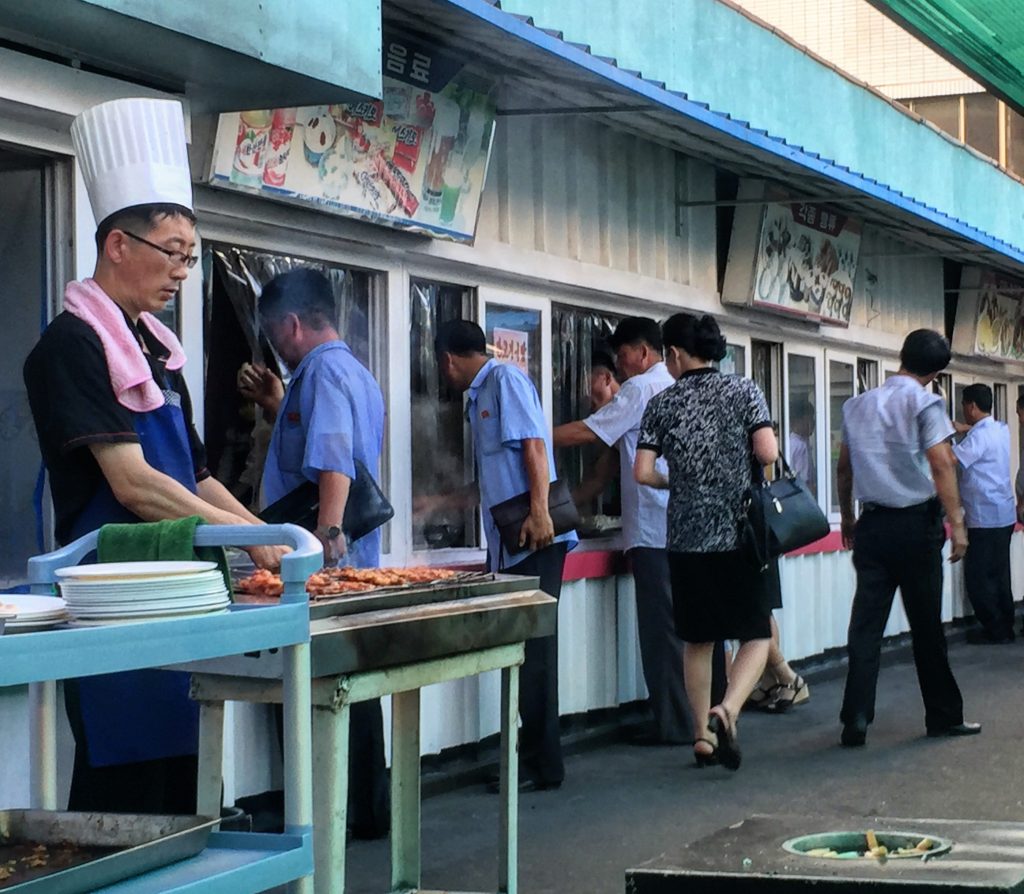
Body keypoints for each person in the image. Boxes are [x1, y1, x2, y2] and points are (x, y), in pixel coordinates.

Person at [23, 97, 284, 814]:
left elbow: (194, 473)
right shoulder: (69, 348)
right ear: (117, 245)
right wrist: (242, 537)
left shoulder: (156, 353)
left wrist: (265, 542)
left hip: (185, 600)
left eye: (190, 259)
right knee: (127, 798)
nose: (181, 273)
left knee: (193, 795)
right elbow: (134, 484)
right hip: (114, 605)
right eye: (173, 254)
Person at [239, 267, 390, 838]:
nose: (273, 345)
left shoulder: (322, 371)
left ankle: (332, 810)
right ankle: (365, 810)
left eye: (273, 333)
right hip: (350, 559)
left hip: (323, 563)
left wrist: (324, 548)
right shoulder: (353, 371)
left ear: (292, 324)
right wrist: (280, 406)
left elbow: (333, 460)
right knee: (352, 686)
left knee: (321, 688)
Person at [433, 319, 577, 791]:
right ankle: (533, 759)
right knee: (523, 652)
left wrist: (539, 514)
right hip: (511, 544)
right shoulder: (478, 397)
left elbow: (534, 448)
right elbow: (494, 479)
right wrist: (438, 504)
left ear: (448, 358)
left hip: (536, 539)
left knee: (535, 653)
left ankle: (542, 765)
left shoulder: (505, 380)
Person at [635, 312, 778, 771]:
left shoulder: (662, 404)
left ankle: (701, 735)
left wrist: (673, 484)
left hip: (685, 538)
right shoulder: (745, 390)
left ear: (674, 354)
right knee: (754, 632)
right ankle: (729, 709)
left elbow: (642, 473)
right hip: (740, 534)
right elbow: (768, 452)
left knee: (697, 639)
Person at [837, 329, 980, 746]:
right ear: (936, 373)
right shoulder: (926, 403)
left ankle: (856, 717)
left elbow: (844, 468)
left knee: (865, 626)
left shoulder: (857, 404)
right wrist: (957, 523)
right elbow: (940, 464)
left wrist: (848, 519)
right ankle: (942, 715)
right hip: (916, 528)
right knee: (925, 627)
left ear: (901, 357)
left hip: (873, 526)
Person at [554, 318, 690, 746]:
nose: (617, 362)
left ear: (645, 352)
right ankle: (702, 716)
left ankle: (676, 725)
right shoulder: (676, 385)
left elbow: (588, 432)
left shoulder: (641, 388)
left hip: (653, 531)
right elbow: (604, 471)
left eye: (623, 352)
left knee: (662, 632)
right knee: (692, 631)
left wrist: (529, 437)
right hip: (685, 528)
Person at [952, 384, 1016, 644]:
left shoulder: (978, 438)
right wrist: (964, 429)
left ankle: (994, 629)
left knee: (978, 578)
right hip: (1004, 515)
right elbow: (981, 432)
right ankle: (1006, 625)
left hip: (985, 517)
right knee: (1000, 574)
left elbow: (954, 459)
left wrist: (940, 435)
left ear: (971, 407)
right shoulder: (1001, 429)